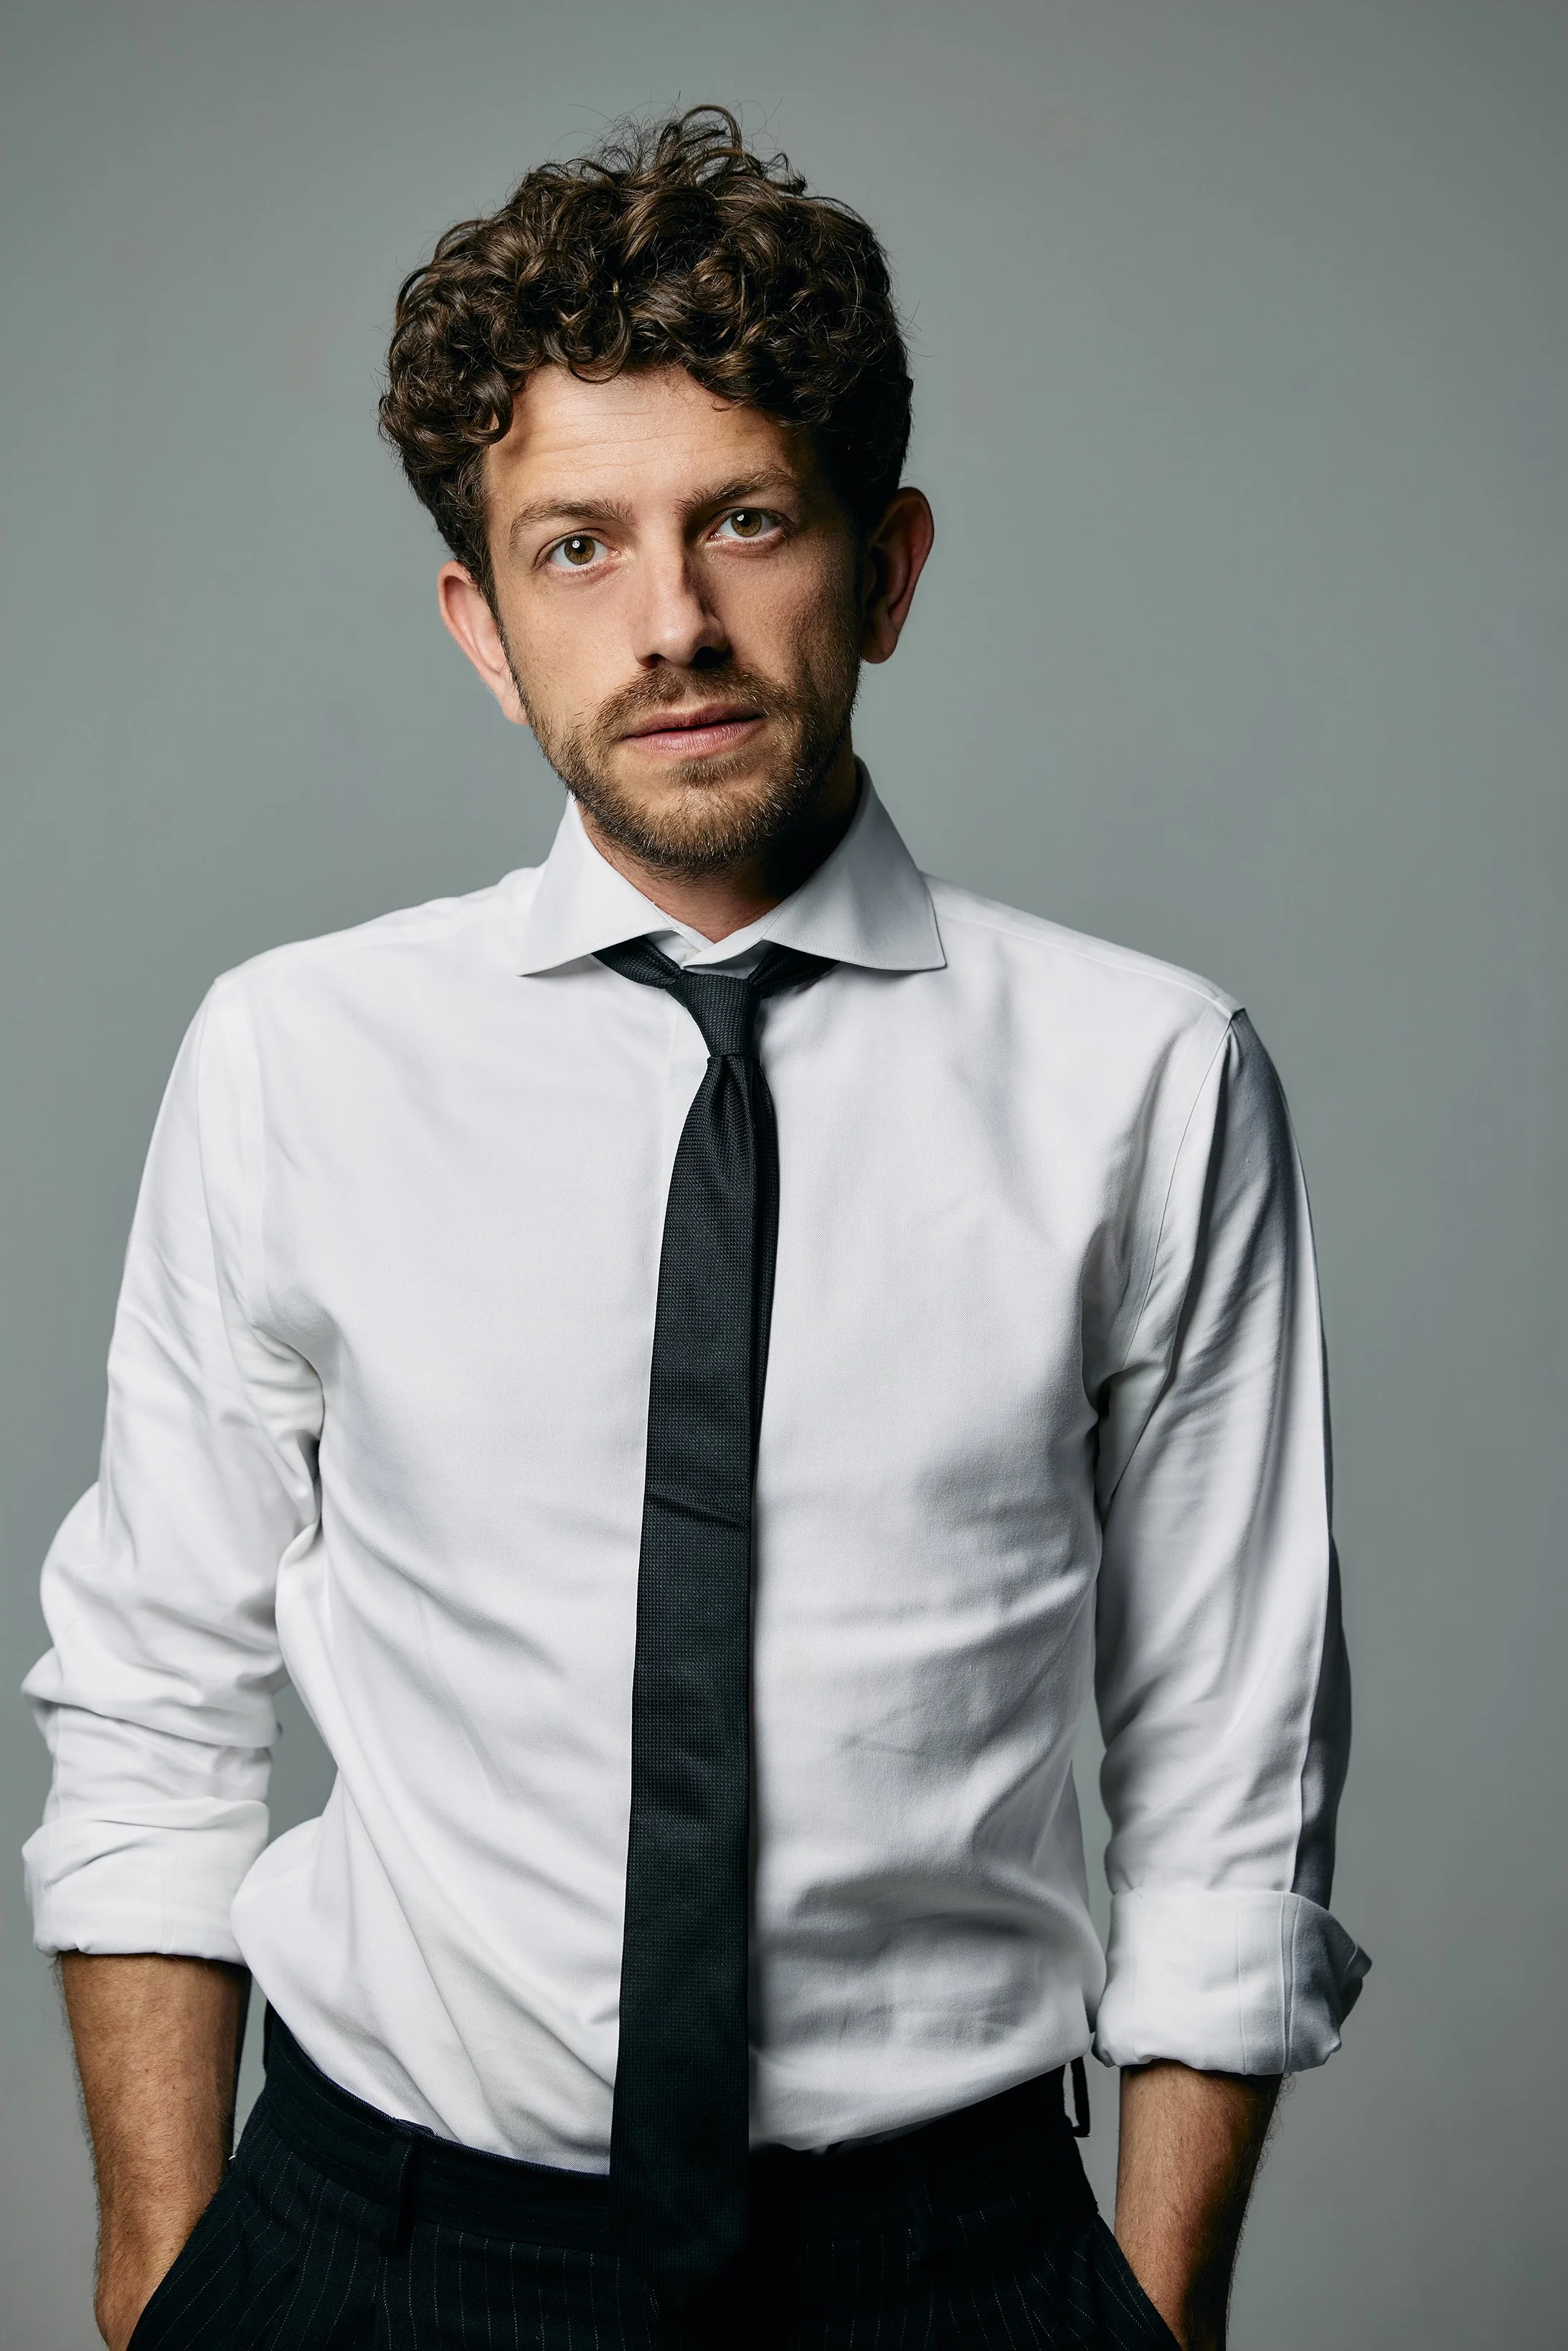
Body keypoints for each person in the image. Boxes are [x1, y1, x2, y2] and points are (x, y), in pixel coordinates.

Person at [24, 106, 1366, 2351]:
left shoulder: (1150, 1077)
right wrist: (164, 2270)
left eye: (746, 519)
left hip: (945, 2272)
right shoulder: (296, 1058)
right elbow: (156, 1690)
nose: (670, 623)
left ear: (889, 564)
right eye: (576, 546)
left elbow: (1230, 1766)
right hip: (379, 2251)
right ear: (479, 619)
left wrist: (1148, 2314)